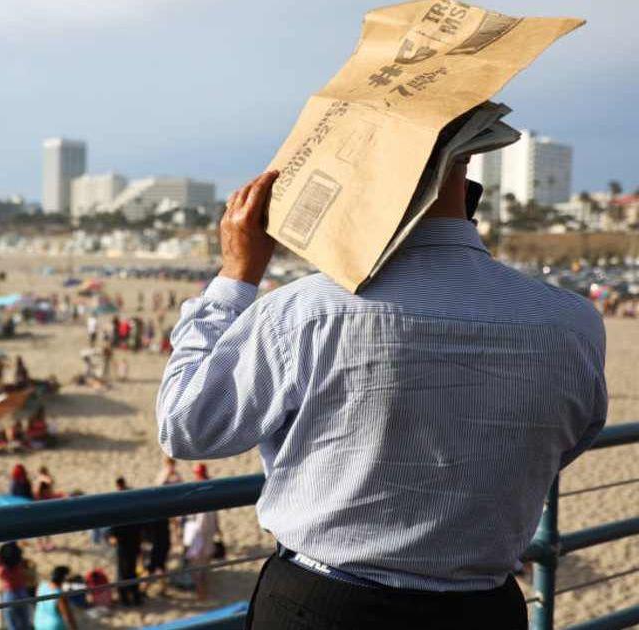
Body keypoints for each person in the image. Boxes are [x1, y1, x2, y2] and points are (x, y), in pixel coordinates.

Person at [157, 167, 606, 628]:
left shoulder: (306, 310)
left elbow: (185, 427)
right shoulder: (572, 322)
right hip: (485, 607)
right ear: (464, 169)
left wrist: (236, 275)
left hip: (326, 603)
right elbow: (569, 438)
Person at [182, 464, 219, 601]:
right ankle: (204, 592)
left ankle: (201, 594)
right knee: (205, 568)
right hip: (208, 535)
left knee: (196, 569)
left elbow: (198, 523)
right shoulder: (211, 488)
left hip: (199, 537)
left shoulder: (198, 490)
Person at [106, 477, 144, 607]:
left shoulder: (118, 501)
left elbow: (113, 525)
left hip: (126, 543)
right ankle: (132, 597)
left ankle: (129, 598)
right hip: (129, 542)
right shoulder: (129, 499)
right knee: (130, 571)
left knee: (125, 572)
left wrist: (111, 536)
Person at [0, 542, 33, 630]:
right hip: (22, 592)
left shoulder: (3, 571)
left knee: (12, 625)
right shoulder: (19, 565)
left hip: (10, 594)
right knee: (25, 622)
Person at [34, 566, 78, 630]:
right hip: (53, 626)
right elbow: (68, 617)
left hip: (38, 622)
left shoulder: (41, 586)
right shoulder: (59, 595)